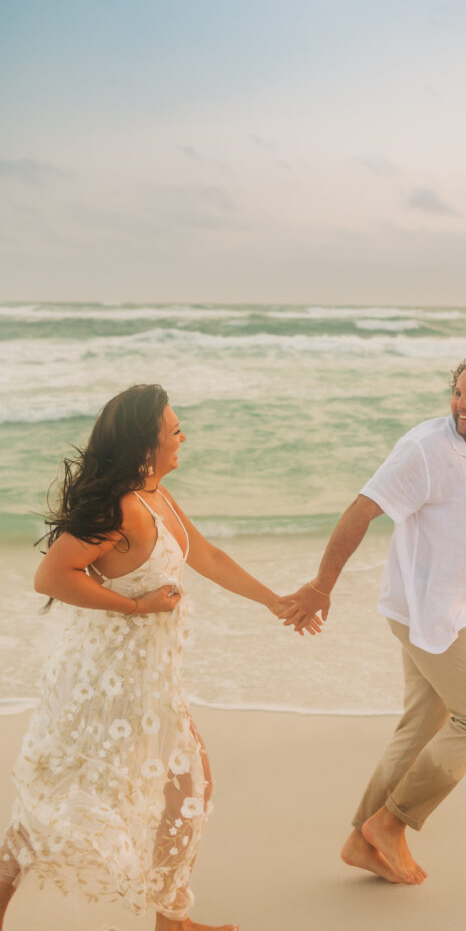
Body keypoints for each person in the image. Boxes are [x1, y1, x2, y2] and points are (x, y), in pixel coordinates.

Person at [0, 384, 318, 931]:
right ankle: (170, 921)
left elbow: (209, 556)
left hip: (148, 678)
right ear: (146, 444)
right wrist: (137, 604)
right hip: (104, 679)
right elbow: (51, 575)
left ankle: (172, 918)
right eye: (173, 431)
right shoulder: (121, 507)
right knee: (92, 796)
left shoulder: (157, 497)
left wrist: (275, 600)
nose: (182, 438)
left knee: (178, 787)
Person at [280, 352, 466, 886]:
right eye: (457, 392)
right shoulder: (425, 448)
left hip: (461, 603)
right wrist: (321, 586)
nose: (460, 404)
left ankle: (360, 838)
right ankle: (391, 824)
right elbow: (361, 510)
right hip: (423, 608)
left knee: (422, 725)